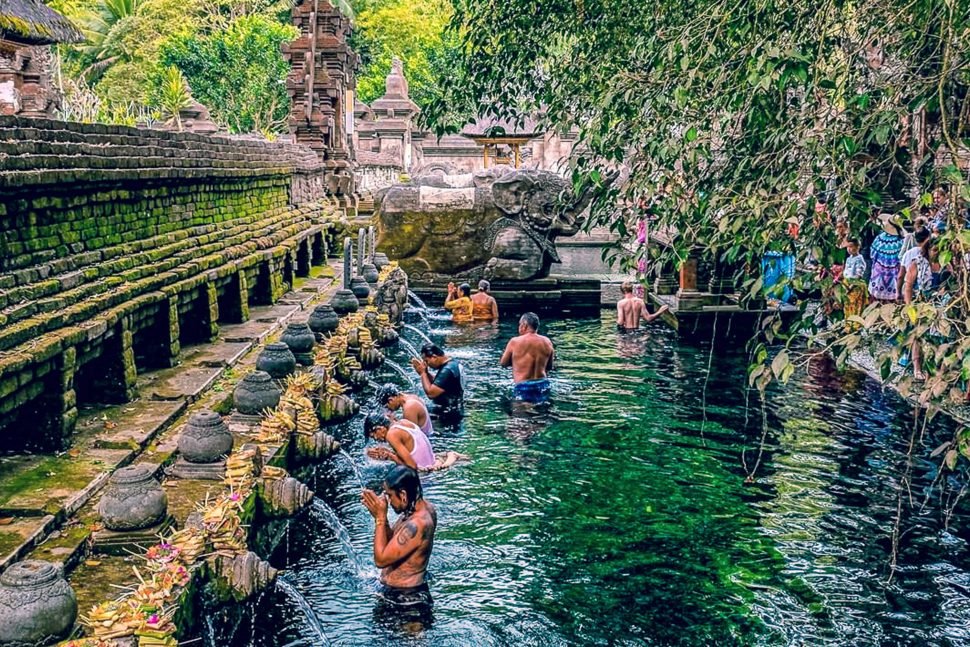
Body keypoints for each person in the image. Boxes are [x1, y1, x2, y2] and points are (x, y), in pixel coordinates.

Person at [361, 466, 437, 615]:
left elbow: (381, 560)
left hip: (408, 601)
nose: (388, 501)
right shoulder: (416, 511)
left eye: (390, 495)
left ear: (403, 494)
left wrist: (380, 519)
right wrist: (380, 517)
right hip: (397, 595)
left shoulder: (417, 524)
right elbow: (393, 544)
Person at [364, 411, 467, 471]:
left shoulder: (392, 434)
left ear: (379, 429)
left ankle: (450, 459)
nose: (377, 439)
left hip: (425, 472)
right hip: (433, 461)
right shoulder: (403, 422)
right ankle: (450, 457)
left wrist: (389, 456)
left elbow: (412, 466)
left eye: (374, 436)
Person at [500, 312, 554, 403]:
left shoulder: (515, 341)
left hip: (524, 386)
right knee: (542, 414)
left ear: (524, 325)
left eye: (519, 325)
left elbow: (503, 363)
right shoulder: (547, 342)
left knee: (520, 415)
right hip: (543, 384)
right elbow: (549, 367)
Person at [901, 229, 933, 380]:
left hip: (938, 304)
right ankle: (917, 367)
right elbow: (908, 286)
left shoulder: (945, 264)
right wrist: (909, 306)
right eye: (934, 250)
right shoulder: (917, 263)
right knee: (917, 335)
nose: (936, 253)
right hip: (921, 303)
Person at [410, 343, 464, 419]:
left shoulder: (447, 370)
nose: (427, 364)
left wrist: (423, 373)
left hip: (447, 413)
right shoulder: (453, 363)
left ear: (434, 357)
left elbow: (431, 394)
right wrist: (426, 373)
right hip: (455, 407)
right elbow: (440, 383)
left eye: (426, 361)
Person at [868, 213, 904, 303]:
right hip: (895, 276)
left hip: (879, 275)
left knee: (879, 303)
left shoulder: (879, 239)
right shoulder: (901, 241)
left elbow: (872, 254)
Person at [842, 238, 867, 326]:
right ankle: (848, 324)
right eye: (847, 247)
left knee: (856, 305)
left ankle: (856, 325)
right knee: (847, 305)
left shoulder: (859, 259)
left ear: (857, 247)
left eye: (851, 247)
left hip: (855, 285)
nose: (849, 249)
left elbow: (858, 274)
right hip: (847, 283)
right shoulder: (849, 259)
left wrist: (851, 286)